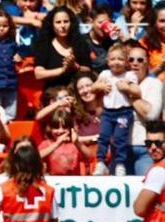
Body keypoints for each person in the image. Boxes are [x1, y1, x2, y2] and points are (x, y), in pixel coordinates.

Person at [91, 43, 140, 175]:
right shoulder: (105, 74)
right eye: (113, 59)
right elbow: (93, 88)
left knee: (119, 138)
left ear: (126, 61)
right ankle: (101, 162)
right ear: (108, 61)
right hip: (107, 113)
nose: (116, 62)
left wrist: (127, 88)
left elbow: (137, 91)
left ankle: (120, 164)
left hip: (124, 112)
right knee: (104, 137)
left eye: (120, 59)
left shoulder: (129, 75)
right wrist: (100, 87)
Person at [34, 6, 93, 88]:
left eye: (66, 21)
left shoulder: (80, 43)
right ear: (51, 25)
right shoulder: (45, 45)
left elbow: (89, 70)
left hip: (77, 91)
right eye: (58, 22)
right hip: (54, 92)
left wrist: (75, 66)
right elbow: (38, 74)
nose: (63, 25)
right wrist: (62, 70)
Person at [126, 44, 163, 175]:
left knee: (145, 188)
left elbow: (151, 115)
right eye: (131, 60)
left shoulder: (155, 84)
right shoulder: (118, 81)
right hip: (121, 148)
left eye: (140, 60)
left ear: (147, 63)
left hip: (145, 148)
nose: (135, 63)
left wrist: (129, 94)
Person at [38, 109, 82, 174]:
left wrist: (77, 143)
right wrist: (57, 144)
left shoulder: (75, 144)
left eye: (64, 127)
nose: (60, 131)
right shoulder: (46, 144)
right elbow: (35, 157)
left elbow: (90, 157)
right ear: (50, 128)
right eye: (56, 128)